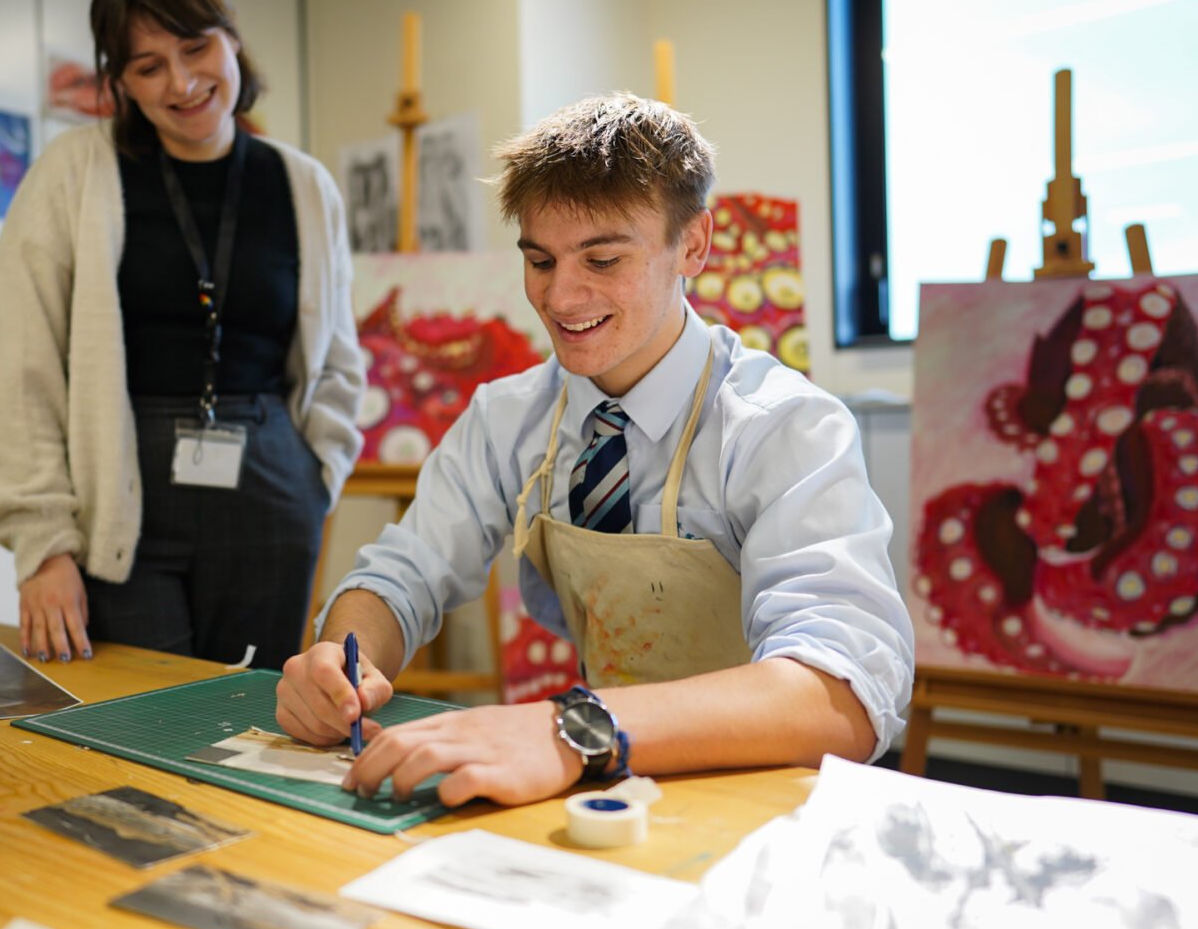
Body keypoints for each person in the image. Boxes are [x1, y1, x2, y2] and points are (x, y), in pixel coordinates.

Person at [277, 92, 913, 807]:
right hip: (607, 786)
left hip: (770, 801)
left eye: (603, 259)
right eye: (540, 260)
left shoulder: (783, 427)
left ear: (694, 245)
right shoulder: (509, 418)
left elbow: (844, 694)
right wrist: (340, 658)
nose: (562, 295)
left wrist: (568, 729)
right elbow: (402, 575)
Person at [0, 0, 364, 669]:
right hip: (118, 482)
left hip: (271, 479)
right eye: (148, 67)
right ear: (119, 80)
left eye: (195, 48)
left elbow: (338, 357)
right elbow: (17, 368)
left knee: (254, 721)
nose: (183, 83)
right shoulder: (73, 175)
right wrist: (41, 544)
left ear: (232, 35)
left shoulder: (304, 186)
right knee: (132, 719)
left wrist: (318, 473)